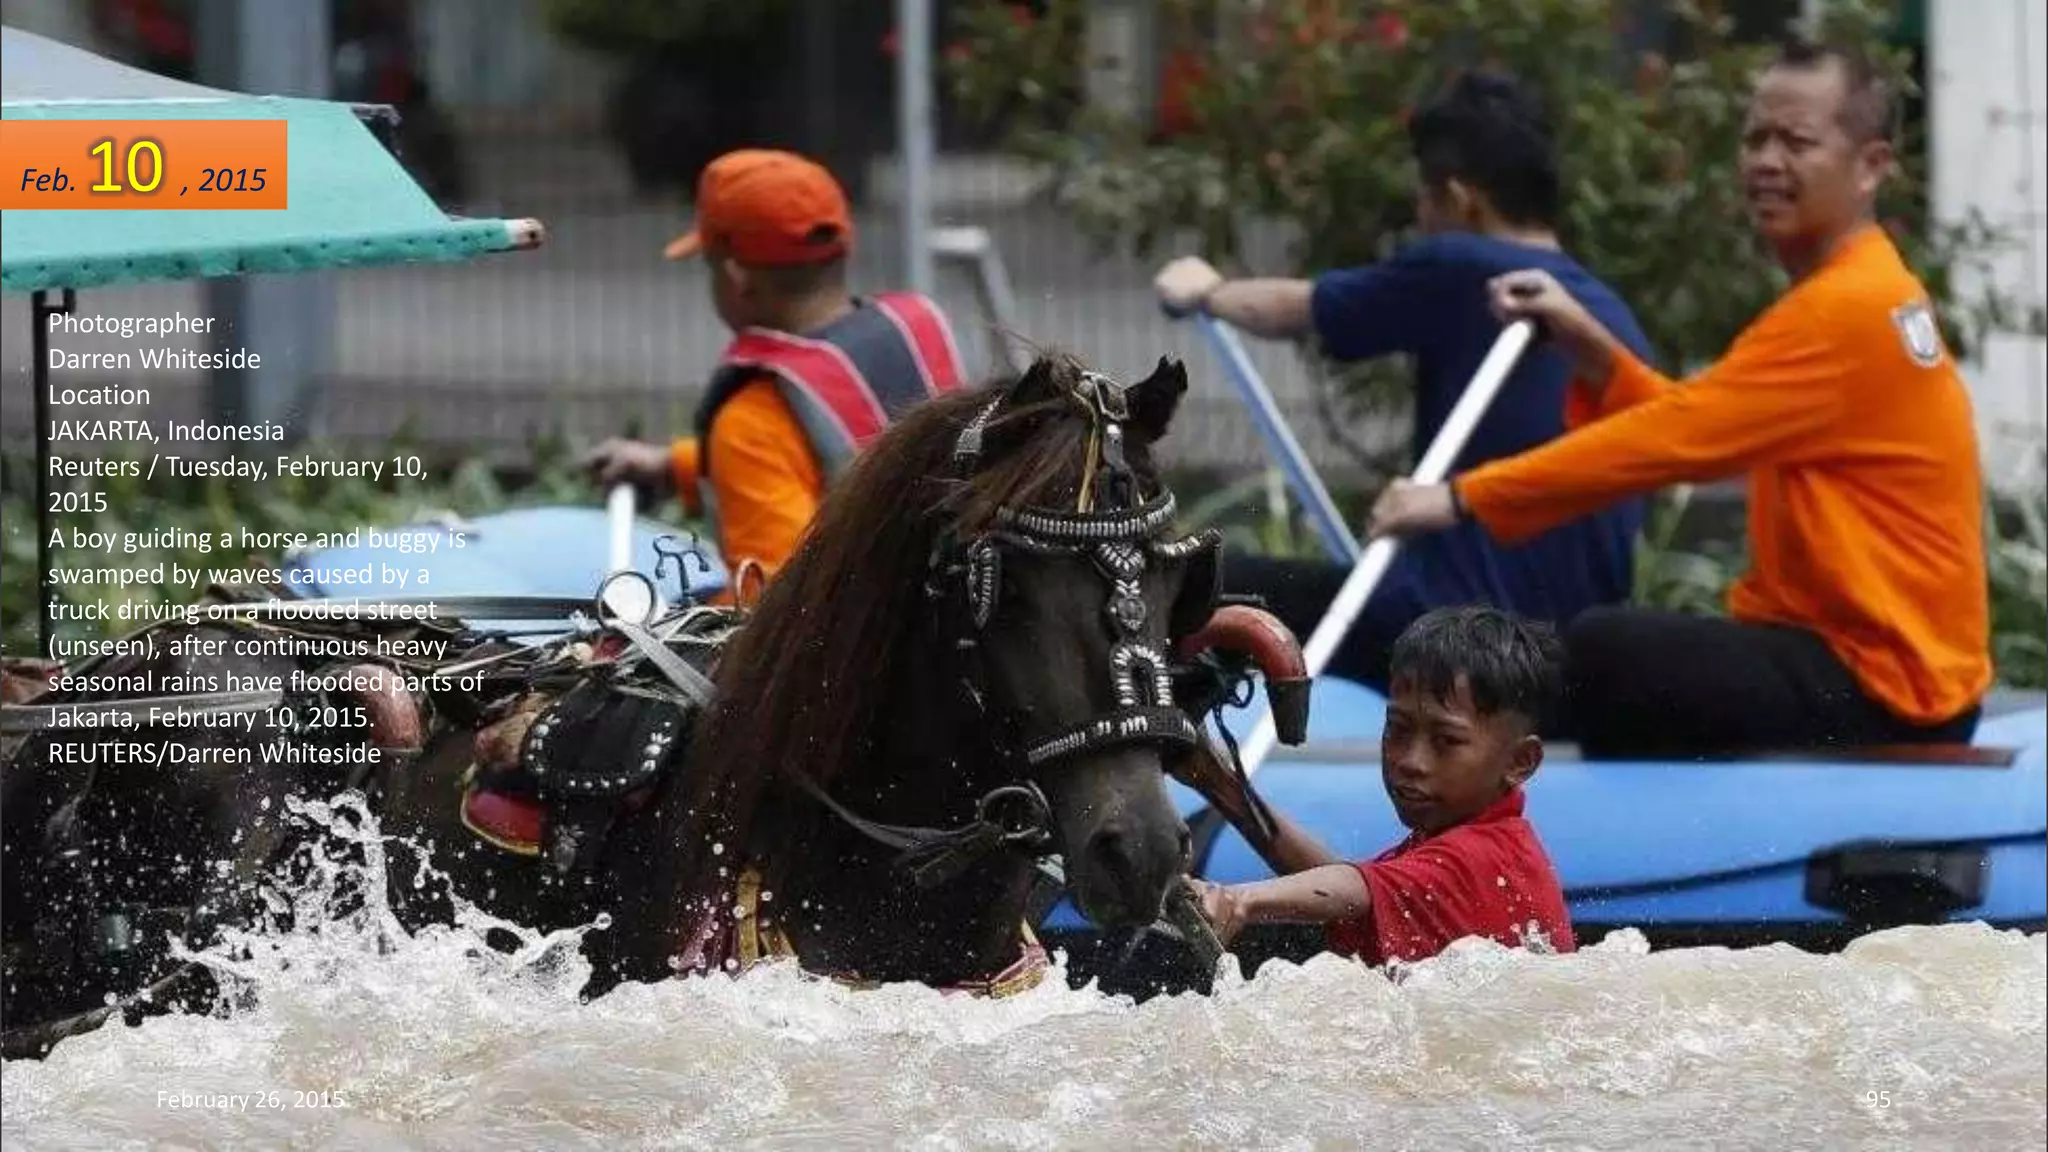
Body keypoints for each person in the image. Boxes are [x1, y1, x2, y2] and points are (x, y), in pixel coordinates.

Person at [1369, 35, 1991, 758]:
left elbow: (1674, 440)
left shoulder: (1849, 308)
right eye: (1755, 138)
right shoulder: (1855, 293)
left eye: (1795, 141)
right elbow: (1697, 423)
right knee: (1619, 648)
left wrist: (1460, 498)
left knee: (1613, 646)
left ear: (1872, 166)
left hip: (1884, 689)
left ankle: (1471, 741)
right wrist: (1594, 354)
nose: (1765, 161)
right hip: (1851, 659)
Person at [1152, 69, 1654, 692]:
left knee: (1183, 585)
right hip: (1565, 657)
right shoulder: (1607, 317)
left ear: (1460, 197)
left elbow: (1299, 309)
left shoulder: (1468, 265)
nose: (1419, 215)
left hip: (1457, 633)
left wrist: (1209, 290)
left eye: (1424, 197)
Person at [583, 149, 969, 597]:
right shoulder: (916, 332)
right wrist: (674, 466)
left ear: (735, 276)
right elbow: (832, 455)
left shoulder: (750, 422)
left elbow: (774, 612)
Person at [1178, 606, 1576, 966]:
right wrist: (1216, 780)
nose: (1410, 761)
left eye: (1446, 741)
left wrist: (1242, 900)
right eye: (1398, 729)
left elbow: (1355, 888)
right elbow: (1359, 889)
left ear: (1520, 762)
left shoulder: (1484, 857)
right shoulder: (1451, 843)